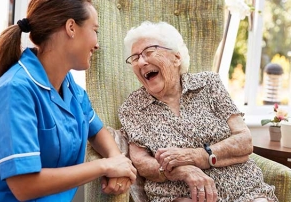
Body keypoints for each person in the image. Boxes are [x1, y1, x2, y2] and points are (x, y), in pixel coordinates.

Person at [0, 0, 137, 201]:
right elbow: (24, 186)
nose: (97, 43)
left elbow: (97, 131)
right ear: (71, 28)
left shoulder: (69, 87)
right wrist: (104, 166)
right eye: (95, 30)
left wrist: (116, 159)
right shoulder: (14, 90)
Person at [118, 21, 278, 202]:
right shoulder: (133, 107)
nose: (141, 61)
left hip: (245, 190)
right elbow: (142, 163)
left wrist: (198, 156)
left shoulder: (208, 84)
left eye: (148, 52)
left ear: (176, 58)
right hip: (180, 195)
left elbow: (244, 141)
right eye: (135, 57)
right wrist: (182, 170)